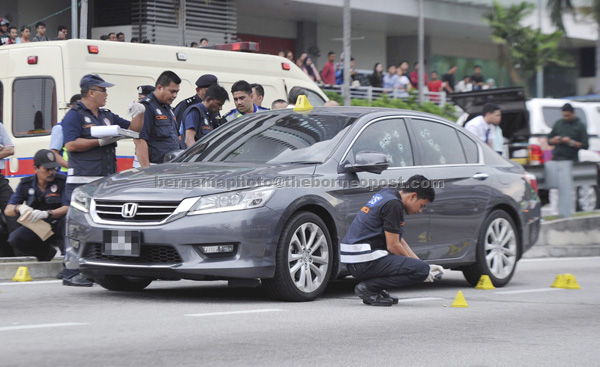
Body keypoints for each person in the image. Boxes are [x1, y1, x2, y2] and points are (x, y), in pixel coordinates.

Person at [62, 74, 144, 285]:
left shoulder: (107, 115)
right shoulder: (75, 115)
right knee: (79, 226)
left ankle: (115, 267)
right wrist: (99, 142)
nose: (107, 94)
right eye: (103, 90)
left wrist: (140, 113)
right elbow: (70, 144)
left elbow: (133, 130)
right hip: (83, 180)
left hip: (105, 180)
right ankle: (72, 272)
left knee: (112, 224)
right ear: (91, 92)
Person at [341, 175, 439, 306]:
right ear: (413, 196)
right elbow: (393, 246)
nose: (420, 210)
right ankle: (368, 288)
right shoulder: (394, 205)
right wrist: (422, 269)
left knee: (421, 267)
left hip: (355, 259)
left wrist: (420, 263)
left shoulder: (386, 194)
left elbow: (398, 239)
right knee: (420, 270)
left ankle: (375, 288)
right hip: (363, 261)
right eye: (421, 205)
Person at [4, 149, 68, 262]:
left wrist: (47, 213)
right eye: (47, 169)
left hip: (57, 222)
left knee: (66, 222)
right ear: (35, 168)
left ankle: (67, 263)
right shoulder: (26, 184)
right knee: (15, 239)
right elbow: (8, 210)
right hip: (39, 225)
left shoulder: (61, 182)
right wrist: (20, 208)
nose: (51, 172)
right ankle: (46, 253)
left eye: (53, 168)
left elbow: (67, 207)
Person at [547, 103, 589, 215]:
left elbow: (585, 145)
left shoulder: (580, 126)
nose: (566, 118)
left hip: (571, 160)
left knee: (571, 189)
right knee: (554, 189)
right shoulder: (558, 123)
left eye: (568, 116)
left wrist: (570, 142)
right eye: (564, 116)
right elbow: (549, 139)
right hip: (556, 159)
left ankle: (571, 212)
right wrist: (554, 140)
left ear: (573, 113)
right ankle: (554, 212)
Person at [135, 70, 181, 167]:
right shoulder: (147, 107)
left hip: (168, 167)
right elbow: (140, 140)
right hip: (154, 167)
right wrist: (147, 170)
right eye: (172, 91)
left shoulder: (167, 108)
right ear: (160, 88)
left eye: (177, 92)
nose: (175, 96)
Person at [182, 84, 229, 148]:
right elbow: (189, 140)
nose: (220, 108)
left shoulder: (210, 115)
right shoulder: (195, 112)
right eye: (218, 104)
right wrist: (196, 156)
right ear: (208, 99)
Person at [50, 94, 81, 176]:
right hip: (65, 174)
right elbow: (54, 153)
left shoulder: (82, 127)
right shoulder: (60, 128)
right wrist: (71, 166)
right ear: (71, 107)